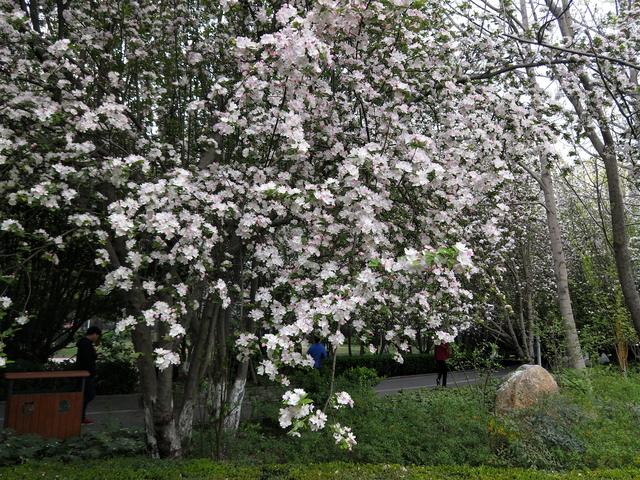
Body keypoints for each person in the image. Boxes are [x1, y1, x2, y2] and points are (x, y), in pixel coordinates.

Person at [76, 326, 101, 424]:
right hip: (86, 373)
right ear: (94, 334)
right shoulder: (86, 344)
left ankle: (81, 416)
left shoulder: (85, 344)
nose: (97, 338)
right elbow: (87, 360)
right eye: (97, 335)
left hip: (86, 373)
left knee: (86, 395)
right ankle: (80, 416)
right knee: (88, 395)